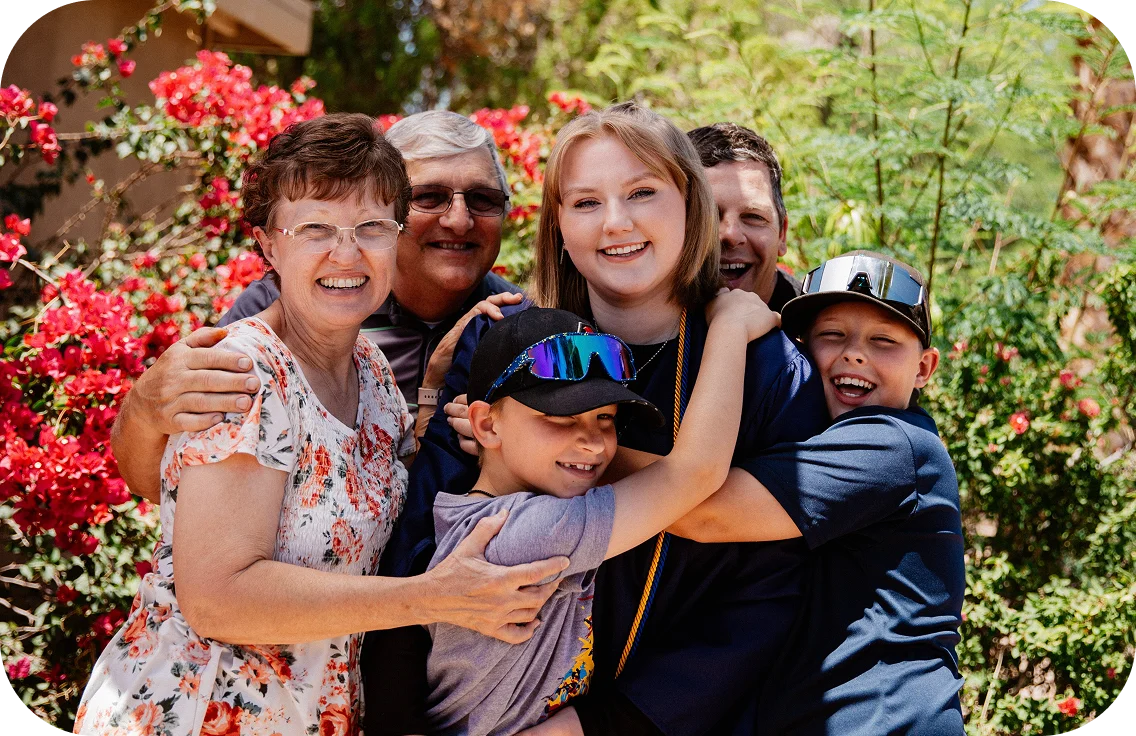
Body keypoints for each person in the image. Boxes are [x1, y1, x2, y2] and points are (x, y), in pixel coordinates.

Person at [75, 115, 566, 736]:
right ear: (268, 245)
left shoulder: (377, 383)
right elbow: (218, 598)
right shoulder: (245, 369)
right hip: (199, 711)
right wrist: (431, 595)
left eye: (369, 228)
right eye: (315, 229)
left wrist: (440, 397)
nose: (346, 252)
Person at [369, 101, 829, 736]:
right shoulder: (505, 344)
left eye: (642, 192)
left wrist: (603, 726)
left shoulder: (769, 369)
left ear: (691, 206)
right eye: (585, 202)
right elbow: (419, 543)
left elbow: (772, 591)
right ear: (558, 224)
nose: (616, 222)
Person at [110, 110, 524, 504]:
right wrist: (145, 407)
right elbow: (170, 481)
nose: (459, 220)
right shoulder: (279, 312)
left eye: (483, 199)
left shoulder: (519, 326)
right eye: (430, 197)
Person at [416, 295, 776, 736]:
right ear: (487, 425)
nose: (592, 442)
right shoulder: (524, 532)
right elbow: (696, 473)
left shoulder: (472, 513)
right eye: (560, 417)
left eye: (605, 417)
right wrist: (731, 327)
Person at [672, 251, 966, 734]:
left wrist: (579, 455)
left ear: (925, 368)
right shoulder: (831, 441)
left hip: (884, 719)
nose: (854, 353)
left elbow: (701, 512)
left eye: (884, 341)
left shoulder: (893, 444)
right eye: (832, 336)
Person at [688, 123, 802, 311]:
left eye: (754, 217)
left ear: (782, 233)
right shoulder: (633, 327)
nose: (731, 235)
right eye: (708, 215)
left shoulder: (819, 330)